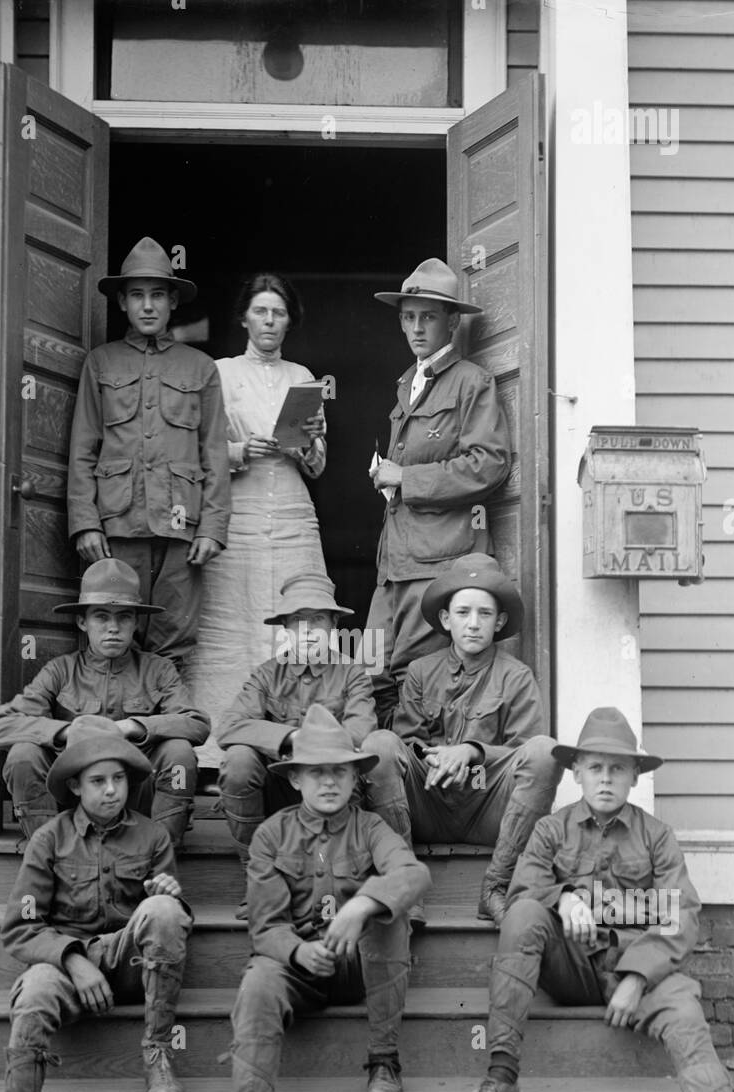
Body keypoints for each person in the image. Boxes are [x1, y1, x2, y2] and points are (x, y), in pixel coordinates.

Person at [457, 707, 734, 1092]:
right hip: (571, 968)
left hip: (639, 975)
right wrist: (565, 899)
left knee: (689, 1019)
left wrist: (635, 976)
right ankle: (501, 1073)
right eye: (595, 767)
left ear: (634, 776)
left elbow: (681, 912)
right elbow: (520, 890)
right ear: (576, 771)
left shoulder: (656, 837)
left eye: (617, 769)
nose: (605, 779)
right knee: (525, 914)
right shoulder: (549, 831)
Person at [221, 705, 431, 1092]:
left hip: (361, 968)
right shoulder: (272, 835)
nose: (330, 782)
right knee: (256, 987)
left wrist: (364, 905)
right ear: (295, 778)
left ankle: (384, 1060)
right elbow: (264, 928)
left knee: (390, 920)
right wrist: (296, 951)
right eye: (317, 771)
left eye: (340, 771)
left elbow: (412, 873)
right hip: (300, 971)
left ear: (355, 776)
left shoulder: (372, 826)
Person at [0, 716, 193, 1092]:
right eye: (98, 782)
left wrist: (169, 894)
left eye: (120, 780)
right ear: (76, 788)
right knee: (34, 995)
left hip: (129, 963)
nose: (111, 792)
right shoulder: (48, 840)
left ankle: (157, 1053)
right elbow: (20, 928)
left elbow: (170, 923)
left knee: (166, 912)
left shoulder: (152, 837)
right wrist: (73, 959)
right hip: (68, 965)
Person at [363, 554, 561, 923]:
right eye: (463, 612)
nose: (473, 624)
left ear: (499, 621)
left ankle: (496, 887)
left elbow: (526, 754)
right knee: (379, 745)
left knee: (546, 751)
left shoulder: (517, 677)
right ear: (445, 619)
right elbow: (407, 740)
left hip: (490, 809)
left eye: (485, 614)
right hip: (429, 802)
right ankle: (403, 883)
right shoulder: (421, 672)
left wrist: (470, 752)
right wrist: (438, 758)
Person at [67, 237, 231, 671]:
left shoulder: (200, 368)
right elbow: (83, 447)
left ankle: (165, 734)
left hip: (181, 528)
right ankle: (115, 734)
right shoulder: (101, 363)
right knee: (116, 629)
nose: (147, 306)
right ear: (121, 301)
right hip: (118, 524)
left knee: (175, 635)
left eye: (157, 294)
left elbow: (214, 452)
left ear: (173, 300)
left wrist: (212, 527)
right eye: (137, 295)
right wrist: (84, 522)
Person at [188, 272, 329, 761]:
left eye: (279, 312)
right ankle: (217, 750)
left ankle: (295, 747)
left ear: (290, 321)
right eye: (261, 311)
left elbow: (319, 464)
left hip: (292, 509)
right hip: (239, 510)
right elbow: (199, 450)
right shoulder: (219, 372)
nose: (270, 321)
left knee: (298, 620)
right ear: (244, 317)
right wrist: (241, 449)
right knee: (230, 624)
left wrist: (306, 443)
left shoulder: (302, 376)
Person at [366, 257, 511, 721]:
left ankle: (415, 784)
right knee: (370, 674)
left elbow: (489, 464)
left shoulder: (471, 381)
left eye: (427, 316)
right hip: (394, 564)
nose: (416, 328)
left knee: (416, 678)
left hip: (436, 562)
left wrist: (405, 478)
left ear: (451, 322)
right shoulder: (407, 383)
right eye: (408, 317)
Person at [0, 558, 210, 847]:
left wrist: (131, 727)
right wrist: (69, 732)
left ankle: (160, 855)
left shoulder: (158, 670)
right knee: (23, 755)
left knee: (179, 753)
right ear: (83, 622)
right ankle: (48, 851)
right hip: (73, 793)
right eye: (102, 617)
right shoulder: (60, 671)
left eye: (124, 617)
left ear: (135, 623)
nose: (113, 628)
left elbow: (196, 723)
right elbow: (1, 726)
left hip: (135, 791)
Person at [217, 570, 376, 913]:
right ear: (286, 629)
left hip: (333, 788)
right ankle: (256, 876)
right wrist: (289, 737)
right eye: (298, 622)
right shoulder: (266, 674)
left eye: (317, 621)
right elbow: (228, 727)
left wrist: (316, 746)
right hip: (279, 787)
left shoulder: (353, 674)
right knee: (239, 761)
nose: (307, 633)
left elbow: (359, 734)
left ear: (334, 627)